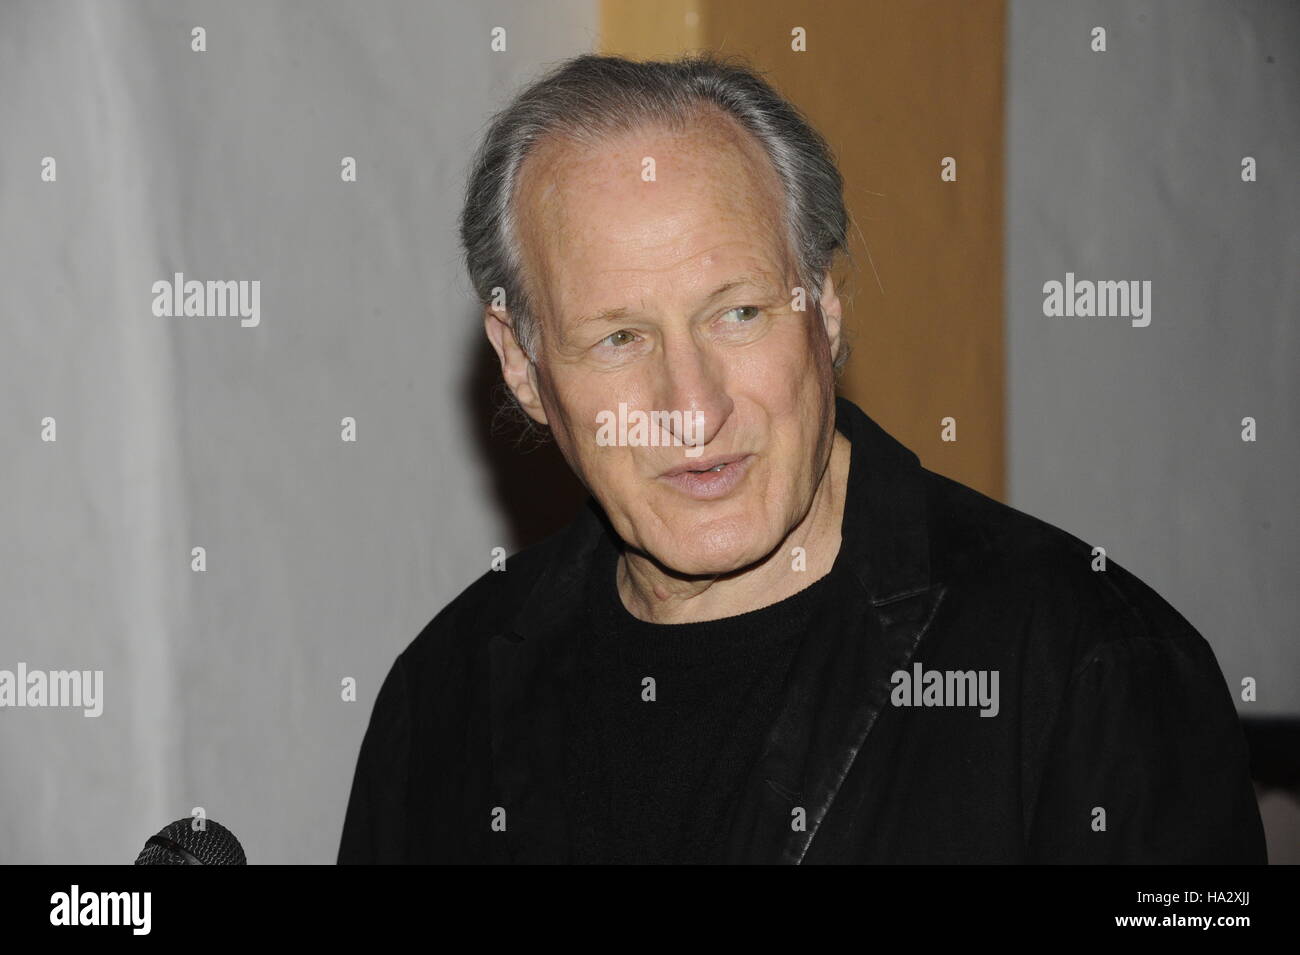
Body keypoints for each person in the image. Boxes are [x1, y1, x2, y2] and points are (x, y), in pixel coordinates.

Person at [338, 53, 1265, 864]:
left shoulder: (1090, 671)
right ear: (523, 366)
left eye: (737, 313)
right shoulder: (445, 700)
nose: (692, 408)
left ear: (823, 306)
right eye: (619, 337)